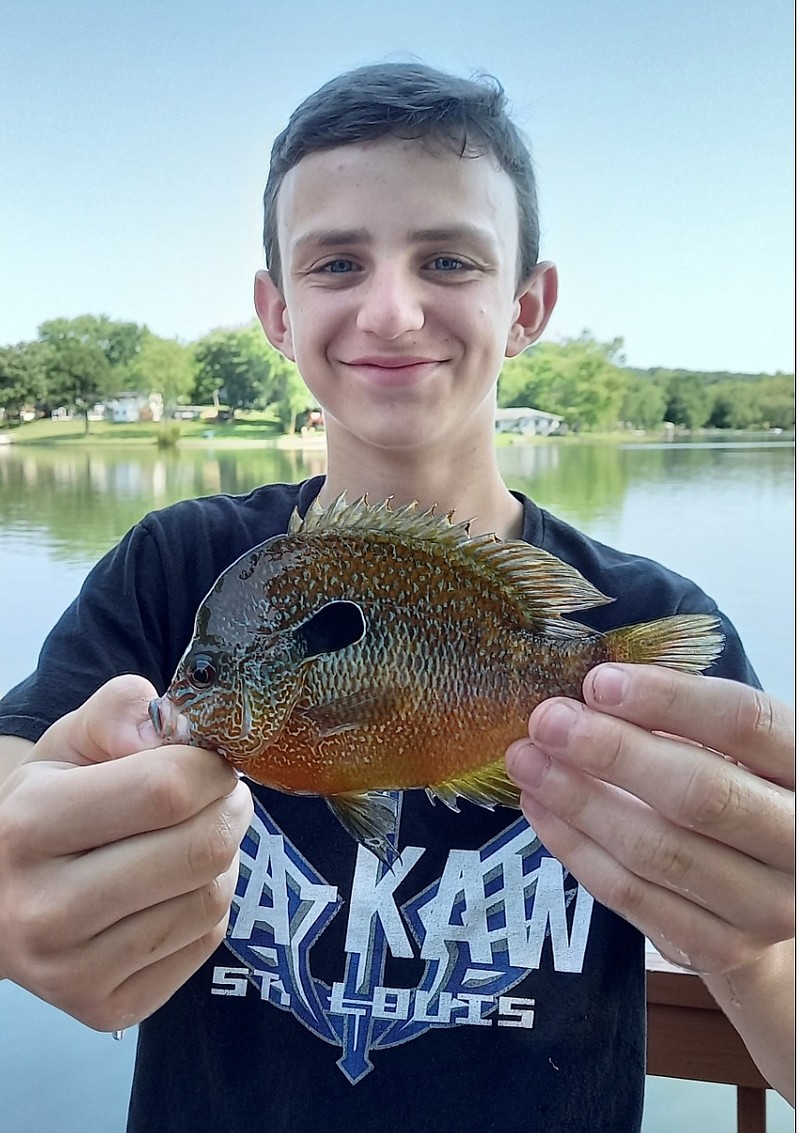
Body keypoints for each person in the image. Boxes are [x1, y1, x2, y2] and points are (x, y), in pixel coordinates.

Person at [0, 63, 793, 1132]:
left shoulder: (633, 627)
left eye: (447, 258)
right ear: (276, 311)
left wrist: (753, 946)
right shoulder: (174, 573)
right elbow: (16, 777)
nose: (390, 307)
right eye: (336, 260)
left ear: (525, 307)